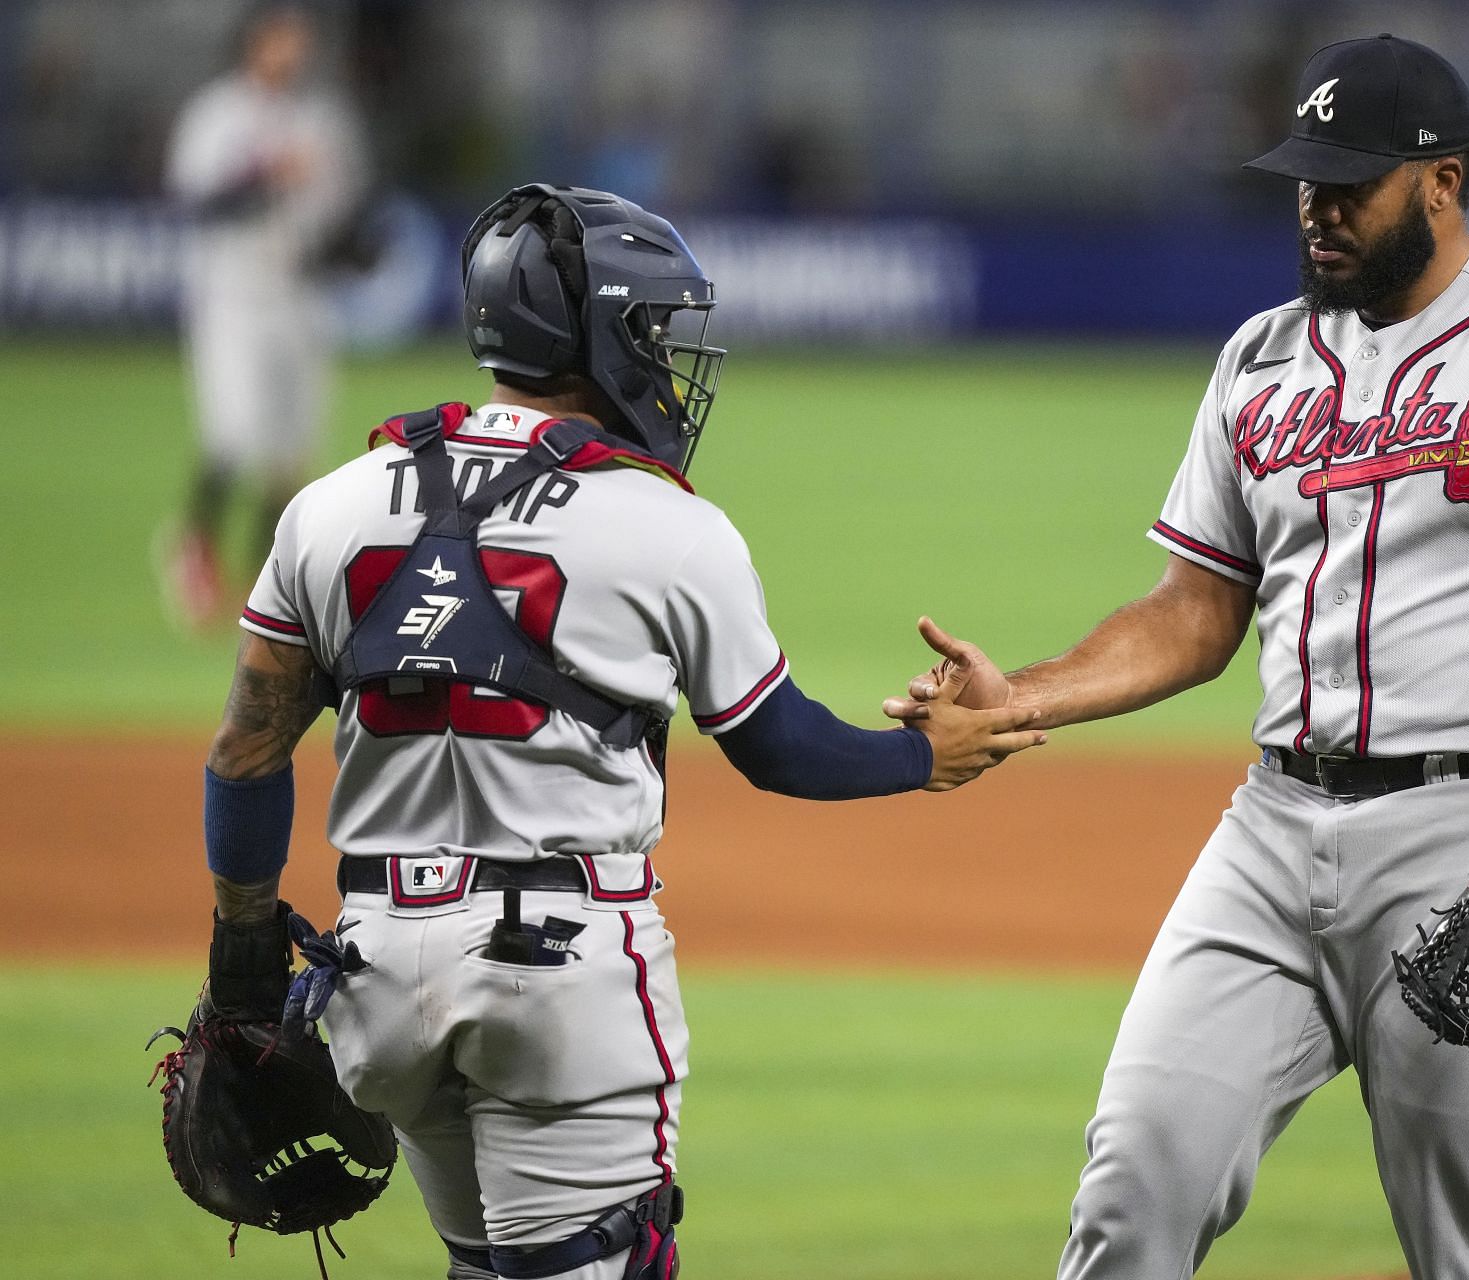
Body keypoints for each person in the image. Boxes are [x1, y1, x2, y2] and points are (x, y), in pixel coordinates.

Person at [885, 35, 1469, 1280]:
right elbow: (1197, 607)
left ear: (1441, 180)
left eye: (1349, 181)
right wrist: (1027, 693)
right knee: (1133, 1187)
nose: (1317, 207)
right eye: (1305, 179)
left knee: (1467, 1252)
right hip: (1270, 834)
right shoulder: (1262, 356)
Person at [196, 183, 1045, 1280]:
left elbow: (247, 751)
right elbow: (777, 744)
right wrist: (926, 754)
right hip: (557, 977)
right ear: (593, 334)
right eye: (650, 326)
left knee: (485, 1264)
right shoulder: (668, 525)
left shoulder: (331, 504)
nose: (669, 354)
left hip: (377, 976)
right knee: (602, 1261)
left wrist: (242, 958)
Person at [163, 2, 369, 628]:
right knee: (234, 434)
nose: (291, 50)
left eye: (297, 39)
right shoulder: (219, 112)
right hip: (232, 298)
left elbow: (342, 216)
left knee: (292, 451)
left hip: (300, 299)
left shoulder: (325, 119)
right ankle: (193, 547)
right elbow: (197, 201)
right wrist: (263, 173)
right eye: (280, 38)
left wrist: (353, 254)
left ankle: (262, 579)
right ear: (254, 43)